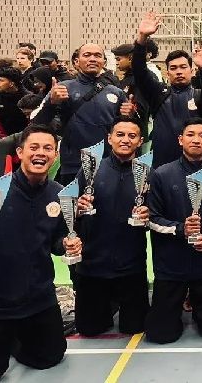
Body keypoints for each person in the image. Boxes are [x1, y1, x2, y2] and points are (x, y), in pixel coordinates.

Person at [0, 124, 81, 383]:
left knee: (50, 357)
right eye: (34, 147)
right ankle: (5, 337)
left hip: (38, 299)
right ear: (20, 152)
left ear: (55, 155)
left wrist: (67, 244)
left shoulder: (59, 194)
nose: (41, 153)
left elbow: (55, 242)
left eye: (48, 148)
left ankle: (15, 338)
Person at [144, 118, 202, 344]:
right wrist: (180, 229)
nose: (196, 140)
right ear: (180, 139)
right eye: (190, 134)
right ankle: (179, 301)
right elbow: (152, 218)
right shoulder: (162, 175)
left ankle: (198, 301)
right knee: (161, 335)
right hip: (170, 266)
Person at [73, 117, 149, 336]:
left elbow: (158, 213)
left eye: (132, 136)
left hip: (131, 267)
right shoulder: (89, 170)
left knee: (135, 328)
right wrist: (78, 208)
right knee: (89, 330)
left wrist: (149, 213)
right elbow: (69, 210)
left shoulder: (148, 173)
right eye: (120, 135)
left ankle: (117, 304)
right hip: (93, 266)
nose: (125, 140)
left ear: (140, 141)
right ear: (109, 138)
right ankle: (106, 306)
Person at [31, 43, 129, 185]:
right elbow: (36, 124)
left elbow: (125, 129)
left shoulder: (116, 92)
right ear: (77, 61)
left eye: (97, 55)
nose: (92, 59)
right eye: (87, 55)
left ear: (104, 62)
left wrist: (129, 115)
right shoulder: (62, 88)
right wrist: (51, 103)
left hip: (108, 164)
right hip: (73, 164)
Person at [132, 11, 202, 168]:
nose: (178, 71)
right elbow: (139, 71)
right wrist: (142, 38)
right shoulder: (158, 94)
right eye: (173, 68)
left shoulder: (199, 96)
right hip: (162, 166)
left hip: (196, 165)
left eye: (183, 67)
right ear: (167, 73)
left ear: (191, 70)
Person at [111, 43, 153, 141]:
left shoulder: (141, 78)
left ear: (130, 58)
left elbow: (142, 110)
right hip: (124, 131)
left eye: (118, 59)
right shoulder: (128, 78)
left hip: (135, 134)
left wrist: (133, 111)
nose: (116, 63)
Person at [0, 67, 29, 138]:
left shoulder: (27, 97)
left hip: (24, 134)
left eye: (1, 81)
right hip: (2, 135)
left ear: (11, 83)